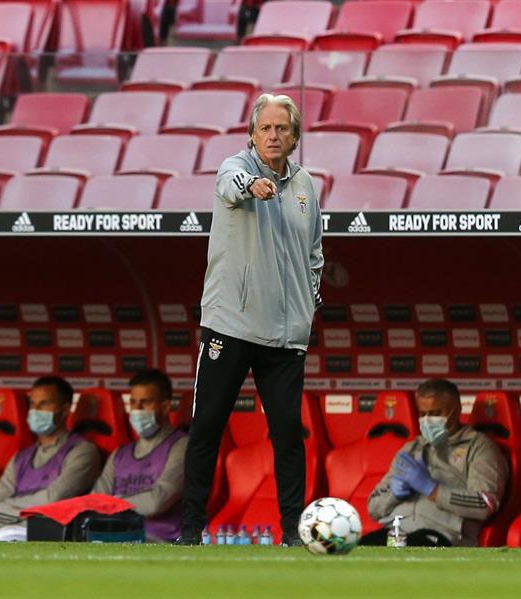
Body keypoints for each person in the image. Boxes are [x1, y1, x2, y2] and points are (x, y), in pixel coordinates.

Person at [179, 93, 324, 545]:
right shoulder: (233, 168)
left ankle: (291, 534)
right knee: (207, 425)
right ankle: (189, 532)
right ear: (253, 134)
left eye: (283, 128)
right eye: (266, 128)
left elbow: (315, 253)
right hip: (231, 325)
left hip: (285, 336)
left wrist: (308, 303)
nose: (274, 135)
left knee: (287, 433)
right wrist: (250, 185)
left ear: (295, 136)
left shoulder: (305, 186)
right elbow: (229, 183)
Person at [363, 379, 509, 547]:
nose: (427, 420)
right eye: (422, 414)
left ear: (456, 410)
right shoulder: (411, 448)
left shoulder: (479, 447)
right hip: (395, 531)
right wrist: (393, 494)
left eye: (435, 413)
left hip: (439, 535)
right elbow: (373, 508)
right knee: (352, 553)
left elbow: (485, 504)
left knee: (404, 552)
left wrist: (432, 489)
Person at [0, 376, 100, 528]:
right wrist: (35, 514)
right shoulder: (20, 458)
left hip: (53, 542)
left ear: (65, 409)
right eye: (33, 404)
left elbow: (53, 501)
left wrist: (10, 507)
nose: (35, 410)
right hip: (8, 538)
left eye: (44, 404)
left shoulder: (82, 451)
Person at [92, 369, 188, 542]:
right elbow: (95, 501)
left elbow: (156, 501)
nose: (137, 410)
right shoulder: (120, 454)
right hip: (113, 534)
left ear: (165, 406)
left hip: (160, 538)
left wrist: (113, 504)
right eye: (133, 402)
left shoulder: (182, 445)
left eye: (145, 402)